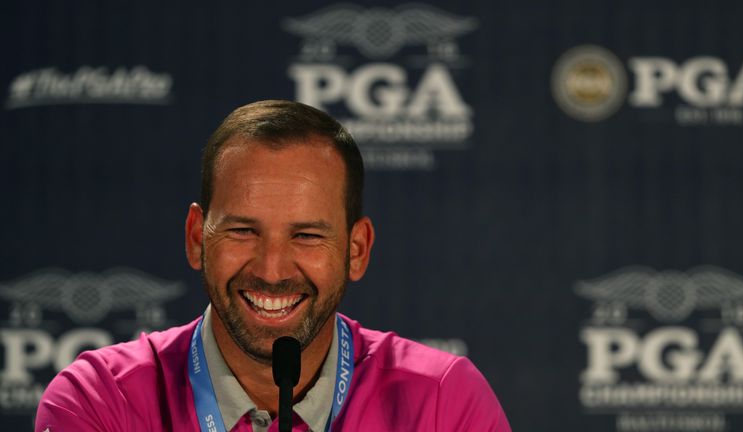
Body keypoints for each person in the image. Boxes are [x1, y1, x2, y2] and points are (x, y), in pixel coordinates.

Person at [35, 100, 511, 431]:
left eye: (306, 235)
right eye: (243, 231)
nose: (271, 268)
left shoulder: (443, 401)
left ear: (357, 249)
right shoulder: (98, 401)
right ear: (198, 238)